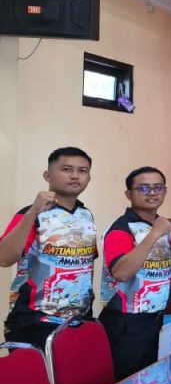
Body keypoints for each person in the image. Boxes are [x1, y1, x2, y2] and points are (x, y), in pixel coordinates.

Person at [1, 147, 97, 348]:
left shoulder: (86, 214)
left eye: (82, 171)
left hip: (77, 319)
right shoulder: (30, 214)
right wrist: (34, 212)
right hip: (34, 320)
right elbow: (4, 258)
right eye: (67, 169)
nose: (75, 176)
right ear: (47, 176)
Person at [99, 166, 171, 380]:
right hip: (125, 322)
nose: (152, 192)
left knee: (146, 383)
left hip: (154, 319)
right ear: (129, 194)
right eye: (143, 188)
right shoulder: (121, 228)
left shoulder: (164, 226)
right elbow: (121, 272)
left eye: (158, 187)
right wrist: (154, 234)